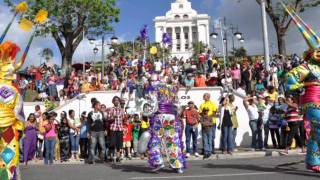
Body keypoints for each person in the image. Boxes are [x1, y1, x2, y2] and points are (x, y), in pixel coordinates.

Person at [107, 96, 125, 163]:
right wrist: (112, 117)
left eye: (117, 100)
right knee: (112, 143)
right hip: (113, 128)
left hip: (120, 128)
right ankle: (111, 157)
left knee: (119, 144)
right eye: (115, 100)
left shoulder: (122, 110)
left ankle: (118, 157)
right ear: (113, 101)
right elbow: (108, 119)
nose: (116, 101)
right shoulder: (111, 109)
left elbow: (123, 119)